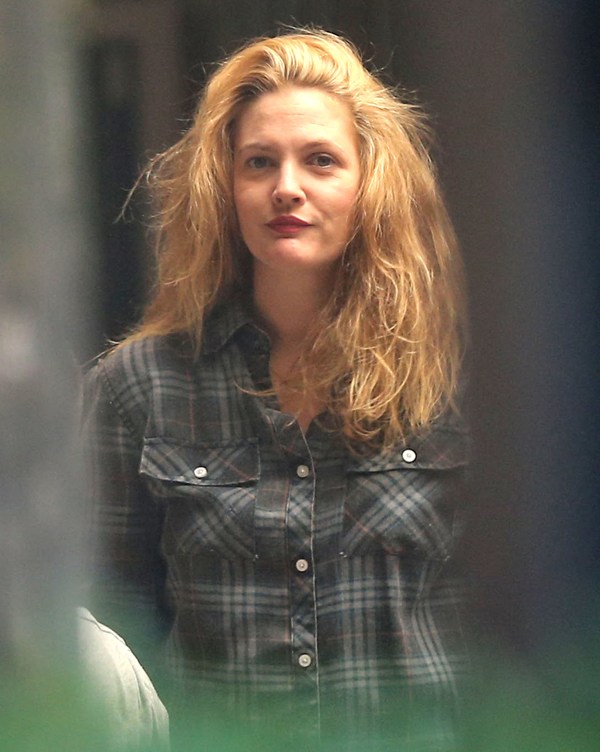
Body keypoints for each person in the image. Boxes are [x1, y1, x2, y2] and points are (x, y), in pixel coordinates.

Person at [82, 29, 469, 751]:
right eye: (259, 162)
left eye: (320, 160)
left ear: (370, 184)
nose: (286, 187)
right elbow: (99, 627)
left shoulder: (450, 376)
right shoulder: (140, 386)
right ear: (225, 187)